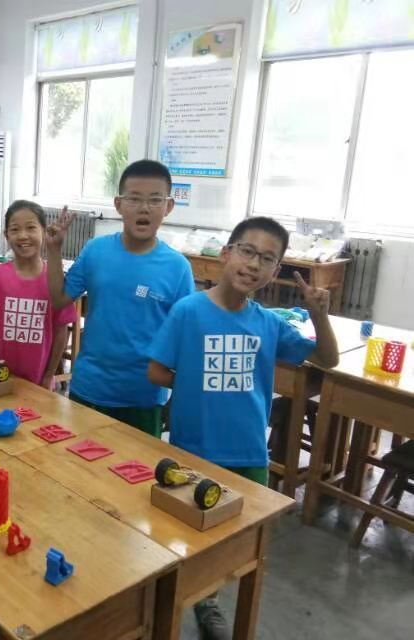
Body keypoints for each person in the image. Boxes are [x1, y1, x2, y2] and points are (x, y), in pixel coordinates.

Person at [147, 216, 338, 640]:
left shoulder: (268, 324)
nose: (253, 264)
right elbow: (157, 371)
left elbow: (328, 359)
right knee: (184, 533)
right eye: (247, 251)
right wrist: (194, 381)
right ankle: (168, 603)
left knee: (235, 543)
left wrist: (319, 316)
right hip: (193, 450)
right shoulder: (188, 311)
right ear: (226, 253)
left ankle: (209, 599)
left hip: (249, 454)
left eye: (267, 259)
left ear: (275, 271)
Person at [46, 159, 194, 437]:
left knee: (139, 465)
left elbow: (185, 337)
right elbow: (59, 298)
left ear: (168, 206)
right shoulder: (96, 250)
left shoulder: (178, 268)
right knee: (77, 463)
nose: (144, 208)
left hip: (144, 397)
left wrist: (179, 395)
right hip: (90, 388)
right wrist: (54, 251)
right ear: (118, 204)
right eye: (134, 199)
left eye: (155, 200)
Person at [0, 200, 77, 388]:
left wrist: (49, 375)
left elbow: (61, 330)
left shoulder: (54, 281)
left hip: (38, 383)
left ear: (44, 231)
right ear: (6, 235)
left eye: (31, 228)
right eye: (14, 229)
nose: (23, 236)